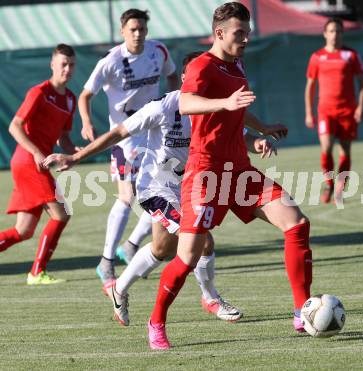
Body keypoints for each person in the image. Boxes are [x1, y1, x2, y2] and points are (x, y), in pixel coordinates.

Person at [44, 51, 277, 326]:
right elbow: (119, 132)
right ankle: (211, 297)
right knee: (202, 240)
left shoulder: (215, 108)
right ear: (183, 79)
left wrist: (257, 142)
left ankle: (119, 288)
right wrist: (75, 157)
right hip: (156, 188)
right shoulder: (164, 106)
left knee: (161, 248)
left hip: (190, 187)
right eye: (194, 76)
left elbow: (238, 134)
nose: (201, 81)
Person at [140, 2, 312, 350]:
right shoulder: (202, 65)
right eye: (239, 33)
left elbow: (236, 109)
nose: (246, 38)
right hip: (205, 173)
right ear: (219, 33)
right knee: (187, 256)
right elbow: (187, 103)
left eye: (247, 32)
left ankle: (301, 311)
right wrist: (225, 103)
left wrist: (261, 129)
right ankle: (156, 321)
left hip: (240, 172)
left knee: (297, 223)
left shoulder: (237, 64)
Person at [78, 8, 179, 285]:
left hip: (155, 134)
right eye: (132, 29)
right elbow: (85, 95)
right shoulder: (111, 61)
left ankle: (131, 245)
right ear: (123, 31)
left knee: (165, 192)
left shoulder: (158, 51)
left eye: (142, 29)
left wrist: (170, 105)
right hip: (126, 138)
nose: (138, 34)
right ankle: (107, 260)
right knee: (127, 196)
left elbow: (173, 77)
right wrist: (87, 122)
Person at [0, 44, 78, 285]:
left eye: (71, 65)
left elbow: (62, 138)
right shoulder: (39, 92)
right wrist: (35, 152)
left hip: (38, 162)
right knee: (61, 214)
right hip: (28, 160)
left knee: (23, 231)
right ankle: (37, 272)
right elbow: (15, 125)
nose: (67, 69)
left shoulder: (70, 99)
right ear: (52, 65)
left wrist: (74, 153)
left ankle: (37, 272)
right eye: (63, 64)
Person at [305, 17, 363, 203]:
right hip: (326, 110)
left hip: (347, 111)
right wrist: (309, 112)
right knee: (327, 147)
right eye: (331, 31)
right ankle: (329, 184)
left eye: (338, 31)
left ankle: (339, 190)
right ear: (325, 34)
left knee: (345, 151)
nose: (334, 35)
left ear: (342, 33)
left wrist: (360, 107)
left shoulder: (351, 55)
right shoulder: (317, 57)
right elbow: (310, 86)